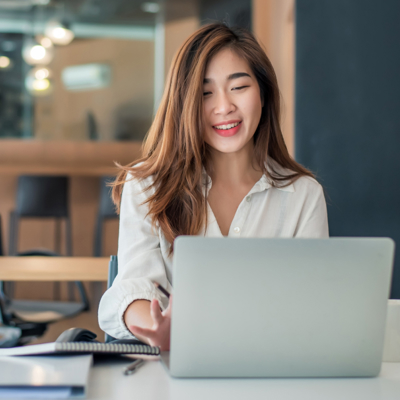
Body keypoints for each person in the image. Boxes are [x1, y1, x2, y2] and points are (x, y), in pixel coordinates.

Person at [98, 22, 329, 350]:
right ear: (185, 104)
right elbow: (135, 288)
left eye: (239, 87)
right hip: (172, 373)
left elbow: (313, 304)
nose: (224, 107)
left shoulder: (303, 195)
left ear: (263, 93)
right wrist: (160, 328)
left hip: (271, 369)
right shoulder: (148, 186)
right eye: (205, 93)